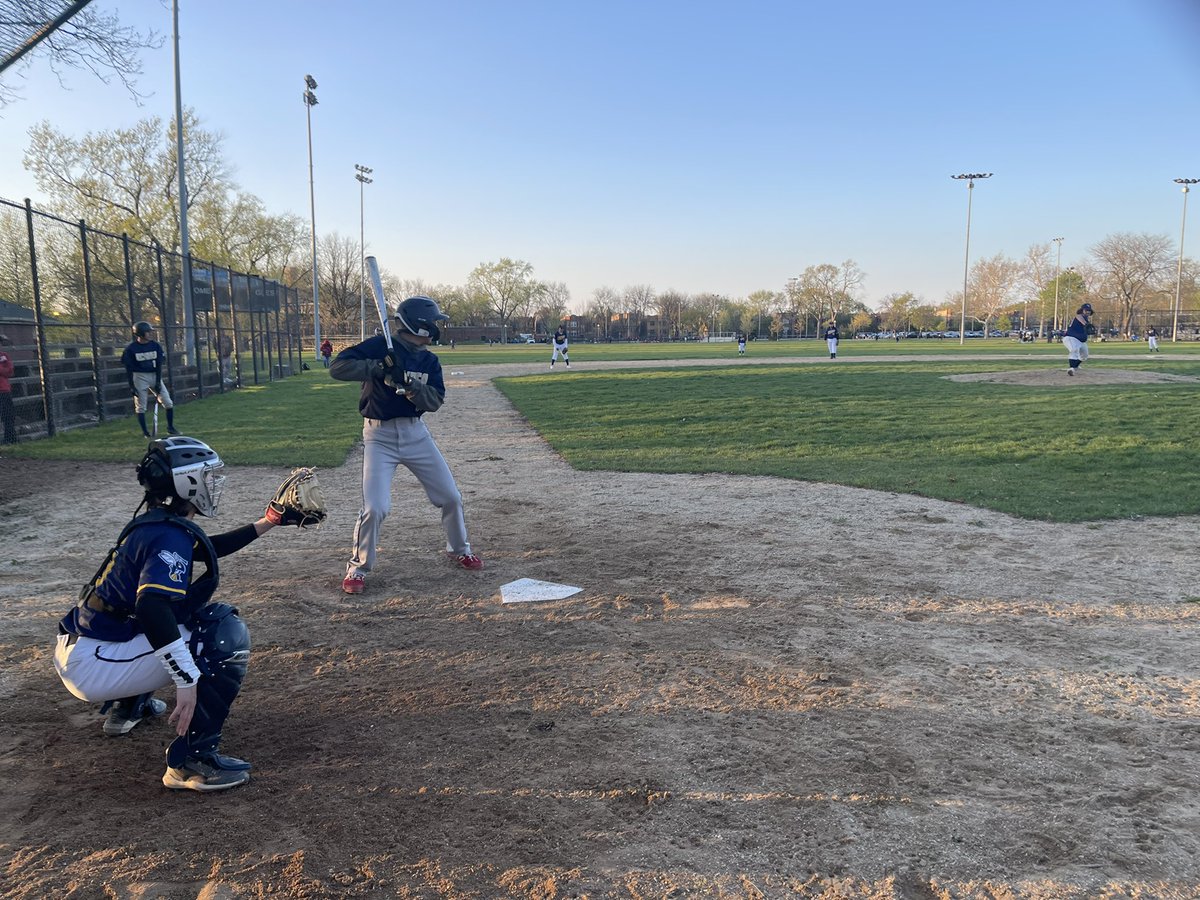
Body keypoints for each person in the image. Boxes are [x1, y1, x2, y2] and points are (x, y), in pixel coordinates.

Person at [52, 436, 298, 792]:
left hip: (93, 644)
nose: (213, 483)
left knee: (180, 619)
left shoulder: (159, 524)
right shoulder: (168, 535)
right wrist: (186, 680)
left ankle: (129, 708)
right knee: (222, 635)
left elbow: (206, 549)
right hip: (95, 662)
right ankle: (191, 763)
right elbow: (151, 608)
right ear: (187, 483)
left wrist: (268, 521)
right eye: (207, 476)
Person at [330, 295, 482, 595]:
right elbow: (338, 368)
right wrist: (378, 368)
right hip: (379, 436)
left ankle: (459, 549)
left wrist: (410, 386)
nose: (437, 327)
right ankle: (358, 567)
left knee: (450, 497)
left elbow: (434, 402)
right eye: (434, 322)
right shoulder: (380, 346)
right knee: (375, 507)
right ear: (420, 325)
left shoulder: (429, 360)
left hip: (415, 434)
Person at [122, 322, 178, 437]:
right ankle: (146, 433)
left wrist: (157, 381)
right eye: (147, 332)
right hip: (139, 376)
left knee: (168, 402)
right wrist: (132, 386)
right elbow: (128, 369)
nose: (150, 334)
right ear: (140, 333)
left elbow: (159, 365)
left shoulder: (155, 346)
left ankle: (171, 428)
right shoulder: (131, 349)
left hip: (154, 375)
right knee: (141, 406)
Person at [1063, 302, 1094, 376]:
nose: (1088, 312)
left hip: (1080, 341)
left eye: (1089, 310)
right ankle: (1071, 368)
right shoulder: (1079, 316)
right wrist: (1086, 324)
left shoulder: (1086, 319)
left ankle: (1075, 366)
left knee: (1084, 356)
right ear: (1082, 310)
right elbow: (1079, 318)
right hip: (1071, 338)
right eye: (1086, 310)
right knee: (1074, 350)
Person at [0, 333, 14, 444]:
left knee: (8, 416)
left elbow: (9, 372)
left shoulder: (4, 356)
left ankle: (10, 439)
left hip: (4, 390)